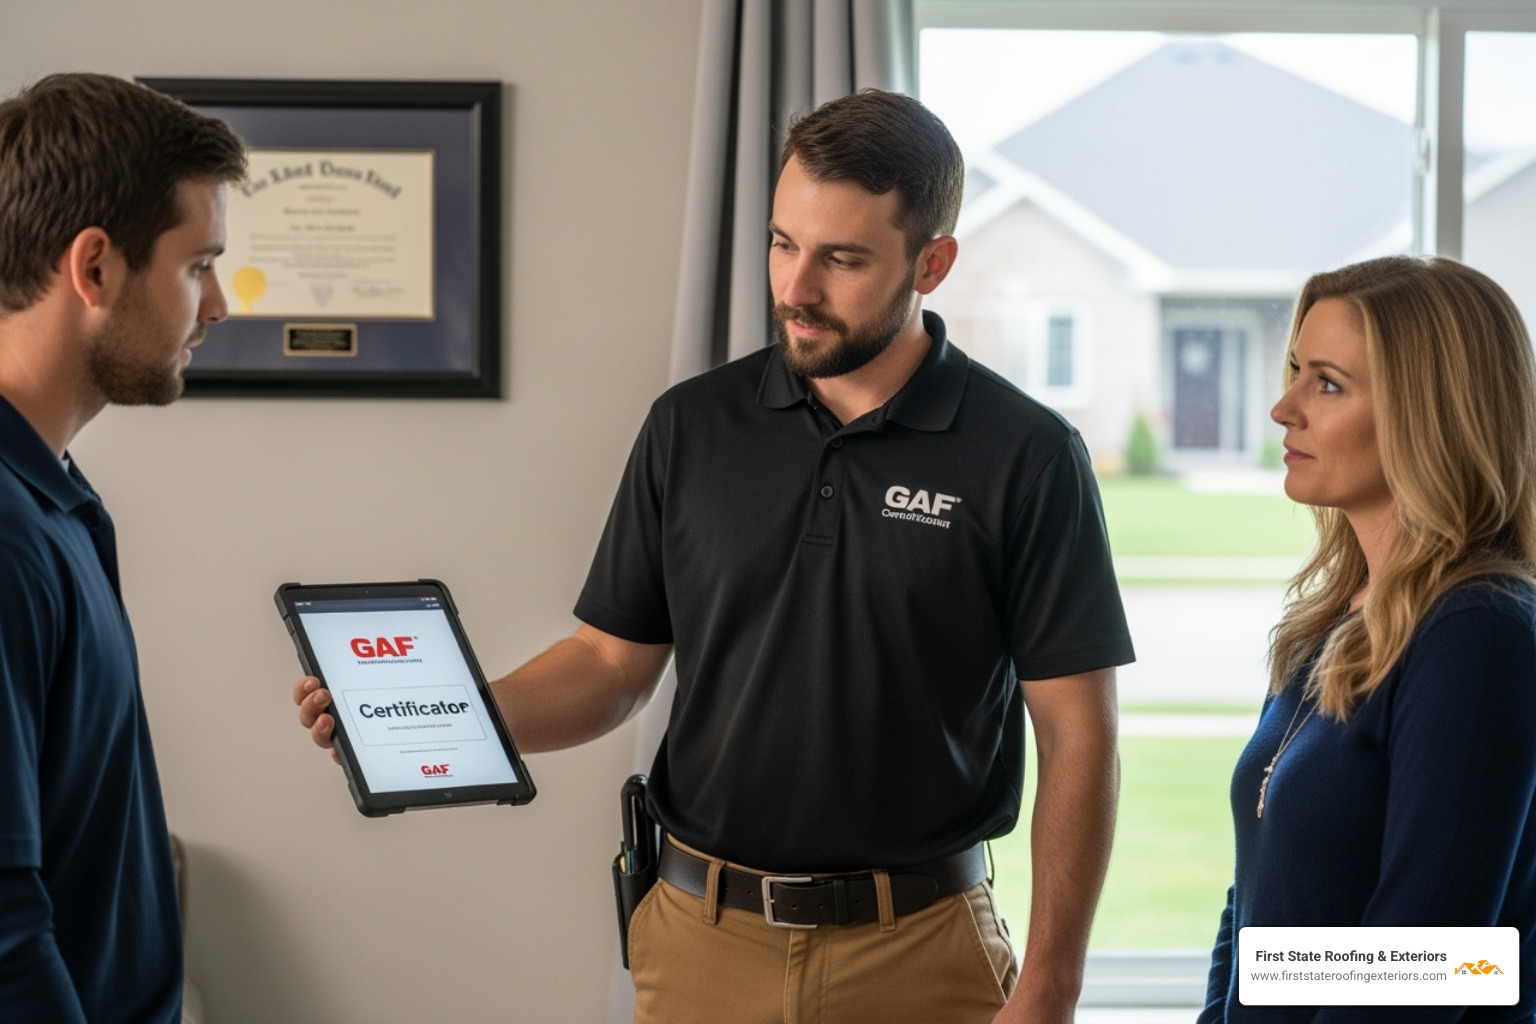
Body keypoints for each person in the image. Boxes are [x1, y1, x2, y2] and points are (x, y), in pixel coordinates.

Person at [297, 88, 1134, 1024]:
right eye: (783, 244)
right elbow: (610, 666)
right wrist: (430, 719)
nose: (797, 289)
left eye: (842, 259)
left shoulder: (1026, 455)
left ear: (931, 263)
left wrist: (1054, 981)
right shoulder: (689, 428)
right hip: (701, 943)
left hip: (921, 952)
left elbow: (1077, 732)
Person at [1198, 256, 1536, 1023]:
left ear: (1429, 414)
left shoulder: (1476, 634)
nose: (1285, 408)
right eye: (1295, 372)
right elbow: (1254, 898)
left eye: (1327, 383)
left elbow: (1427, 968)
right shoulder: (1330, 621)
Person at [0, 74, 244, 1022]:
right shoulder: (9, 538)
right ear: (94, 267)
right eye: (197, 266)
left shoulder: (56, 501)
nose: (217, 305)